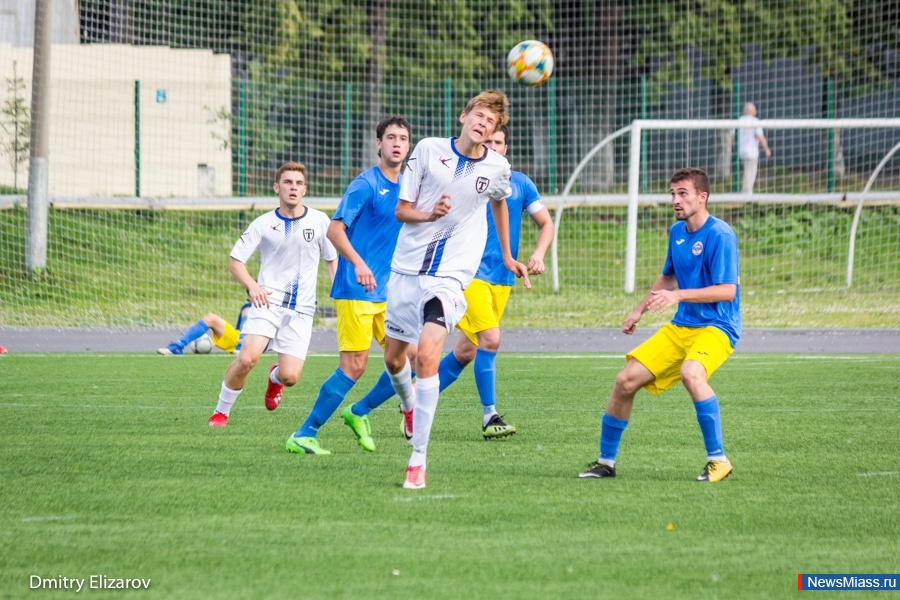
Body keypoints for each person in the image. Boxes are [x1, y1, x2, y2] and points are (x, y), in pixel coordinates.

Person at [383, 89, 531, 490]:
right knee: (395, 360)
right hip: (406, 269)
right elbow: (402, 210)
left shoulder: (498, 167)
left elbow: (499, 201)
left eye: (492, 122)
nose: (484, 124)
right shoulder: (428, 150)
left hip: (451, 275)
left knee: (428, 354)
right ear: (464, 116)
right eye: (479, 115)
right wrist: (430, 214)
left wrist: (507, 255)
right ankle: (409, 404)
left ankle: (418, 459)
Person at [578, 167, 740, 483]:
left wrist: (678, 295)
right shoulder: (677, 231)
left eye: (683, 193)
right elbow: (668, 277)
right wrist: (639, 310)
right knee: (625, 381)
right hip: (682, 326)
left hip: (718, 326)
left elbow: (727, 290)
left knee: (691, 373)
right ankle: (606, 462)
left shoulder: (720, 235)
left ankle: (718, 460)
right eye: (673, 194)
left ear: (702, 197)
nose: (676, 200)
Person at [286, 116, 416, 455]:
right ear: (379, 144)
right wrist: (358, 263)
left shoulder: (408, 188)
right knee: (354, 366)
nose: (397, 143)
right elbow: (334, 229)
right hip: (357, 288)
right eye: (391, 137)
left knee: (411, 357)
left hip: (389, 290)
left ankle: (360, 411)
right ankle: (304, 433)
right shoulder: (365, 184)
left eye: (403, 138)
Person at [436, 124, 554, 438]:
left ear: (505, 148)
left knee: (466, 352)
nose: (492, 147)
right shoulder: (464, 179)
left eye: (498, 142)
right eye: (487, 141)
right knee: (490, 339)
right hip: (468, 274)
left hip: (502, 278)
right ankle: (490, 416)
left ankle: (415, 398)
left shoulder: (520, 183)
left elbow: (546, 223)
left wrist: (538, 254)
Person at [208, 162, 337, 427]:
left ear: (305, 190)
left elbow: (332, 259)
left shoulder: (320, 221)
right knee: (247, 359)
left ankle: (275, 378)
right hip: (267, 302)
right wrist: (252, 286)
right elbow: (235, 261)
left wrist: (339, 293)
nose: (293, 188)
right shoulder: (263, 223)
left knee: (290, 377)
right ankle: (221, 412)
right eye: (288, 182)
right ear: (277, 188)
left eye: (298, 183)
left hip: (302, 309)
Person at [157, 301, 251, 356]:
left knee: (250, 308)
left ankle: (242, 343)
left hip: (253, 343)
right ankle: (178, 346)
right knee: (210, 318)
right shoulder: (248, 306)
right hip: (239, 340)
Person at [731, 102, 772, 194]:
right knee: (750, 173)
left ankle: (744, 192)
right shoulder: (755, 121)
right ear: (752, 111)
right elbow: (760, 137)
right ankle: (746, 194)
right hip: (751, 152)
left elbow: (732, 136)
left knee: (746, 172)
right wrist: (766, 149)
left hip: (740, 152)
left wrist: (735, 146)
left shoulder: (739, 120)